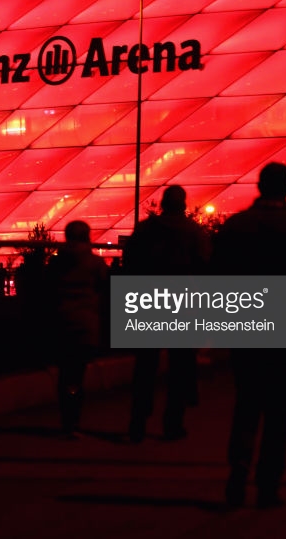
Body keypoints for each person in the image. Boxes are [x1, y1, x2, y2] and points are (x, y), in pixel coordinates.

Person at [212, 162, 286, 509]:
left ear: (259, 185)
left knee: (246, 404)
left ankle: (237, 475)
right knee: (278, 411)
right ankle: (268, 485)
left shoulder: (236, 226)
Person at [122, 185, 210, 442]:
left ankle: (137, 421)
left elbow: (130, 262)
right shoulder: (193, 231)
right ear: (183, 204)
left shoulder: (145, 229)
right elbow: (205, 265)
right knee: (180, 365)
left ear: (162, 204)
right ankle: (173, 423)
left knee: (145, 365)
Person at [45, 220, 110, 437]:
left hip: (61, 322)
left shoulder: (56, 263)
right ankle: (73, 420)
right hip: (85, 324)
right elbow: (105, 289)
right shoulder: (95, 263)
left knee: (65, 372)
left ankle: (67, 419)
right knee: (77, 374)